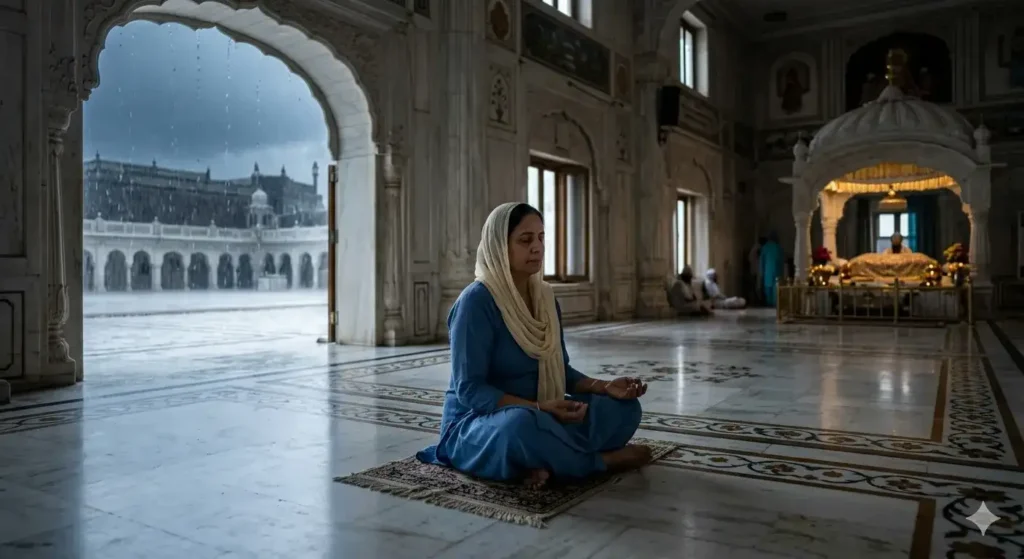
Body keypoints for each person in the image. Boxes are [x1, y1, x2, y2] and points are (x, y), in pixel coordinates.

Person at [416, 202, 652, 489]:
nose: (537, 247)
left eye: (541, 238)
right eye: (525, 240)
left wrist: (604, 387)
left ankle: (535, 462)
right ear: (499, 246)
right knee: (520, 427)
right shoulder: (476, 302)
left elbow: (559, 370)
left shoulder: (545, 298)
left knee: (623, 410)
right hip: (479, 423)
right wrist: (538, 407)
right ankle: (600, 462)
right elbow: (470, 390)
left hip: (541, 411)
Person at [759, 232, 784, 307]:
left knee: (768, 288)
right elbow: (781, 260)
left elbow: (762, 261)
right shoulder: (778, 247)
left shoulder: (765, 247)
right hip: (777, 271)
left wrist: (761, 272)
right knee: (775, 288)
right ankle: (775, 304)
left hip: (767, 271)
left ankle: (769, 303)